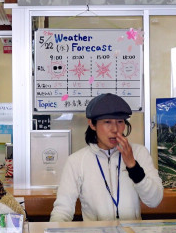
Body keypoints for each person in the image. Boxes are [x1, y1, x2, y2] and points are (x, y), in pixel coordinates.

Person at [49, 93, 162, 222]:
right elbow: (63, 209)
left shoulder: (139, 153)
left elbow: (155, 200)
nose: (115, 129)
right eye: (107, 122)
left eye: (120, 122)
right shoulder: (76, 161)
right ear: (92, 124)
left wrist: (133, 166)